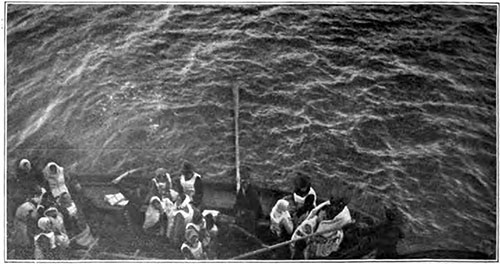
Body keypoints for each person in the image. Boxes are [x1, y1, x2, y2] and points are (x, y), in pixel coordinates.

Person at [10, 193, 41, 259]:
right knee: (23, 240)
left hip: (20, 222)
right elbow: (33, 217)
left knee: (22, 238)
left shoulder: (27, 205)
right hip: (22, 224)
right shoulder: (29, 207)